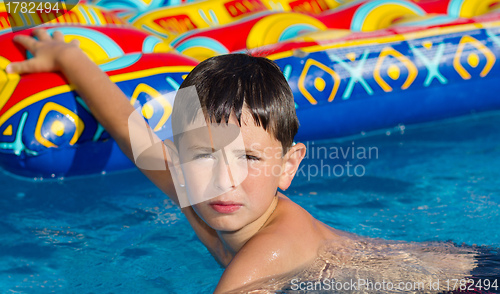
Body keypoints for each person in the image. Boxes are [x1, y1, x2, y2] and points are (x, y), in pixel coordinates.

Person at [7, 29, 478, 293]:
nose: (223, 176)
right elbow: (136, 136)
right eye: (201, 154)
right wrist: (70, 58)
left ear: (289, 166)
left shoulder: (264, 256)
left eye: (249, 157)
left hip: (467, 281)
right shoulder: (205, 189)